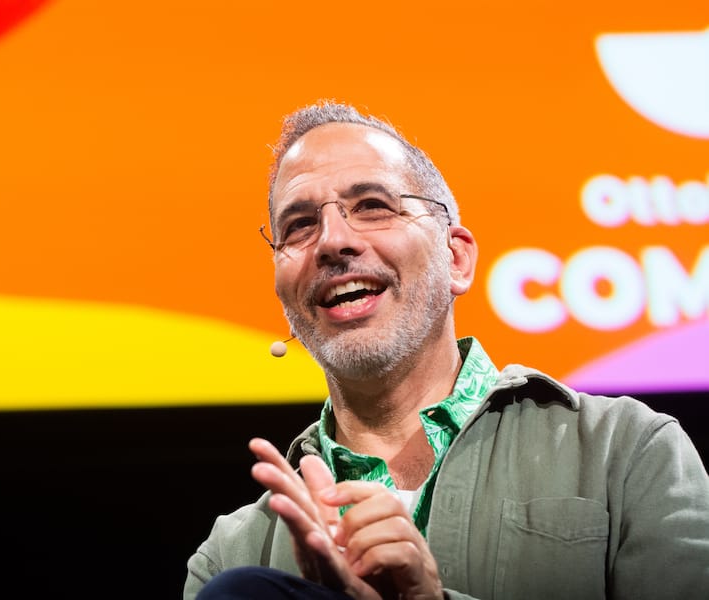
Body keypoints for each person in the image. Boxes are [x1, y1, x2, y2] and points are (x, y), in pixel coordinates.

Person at [183, 100, 709, 600]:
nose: (331, 241)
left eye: (372, 206)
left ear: (455, 259)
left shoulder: (625, 451)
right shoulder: (232, 555)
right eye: (298, 226)